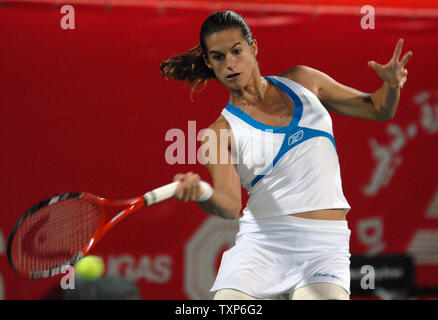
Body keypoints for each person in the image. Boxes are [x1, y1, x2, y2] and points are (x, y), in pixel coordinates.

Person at [160, 10, 412, 300]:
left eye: (236, 51)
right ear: (209, 62)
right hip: (261, 249)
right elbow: (229, 206)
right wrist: (201, 192)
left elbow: (378, 109)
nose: (230, 64)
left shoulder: (305, 81)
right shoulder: (219, 133)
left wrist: (391, 86)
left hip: (323, 248)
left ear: (253, 48)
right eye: (218, 57)